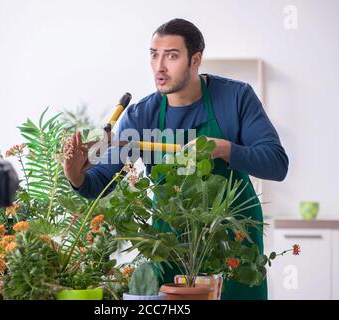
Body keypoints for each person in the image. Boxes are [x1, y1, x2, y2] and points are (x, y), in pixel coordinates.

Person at [63, 18, 289, 300]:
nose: (159, 66)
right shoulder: (140, 115)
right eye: (154, 55)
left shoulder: (235, 98)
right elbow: (101, 181)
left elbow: (277, 164)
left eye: (171, 56)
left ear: (196, 60)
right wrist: (76, 175)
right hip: (171, 244)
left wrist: (222, 149)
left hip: (233, 241)